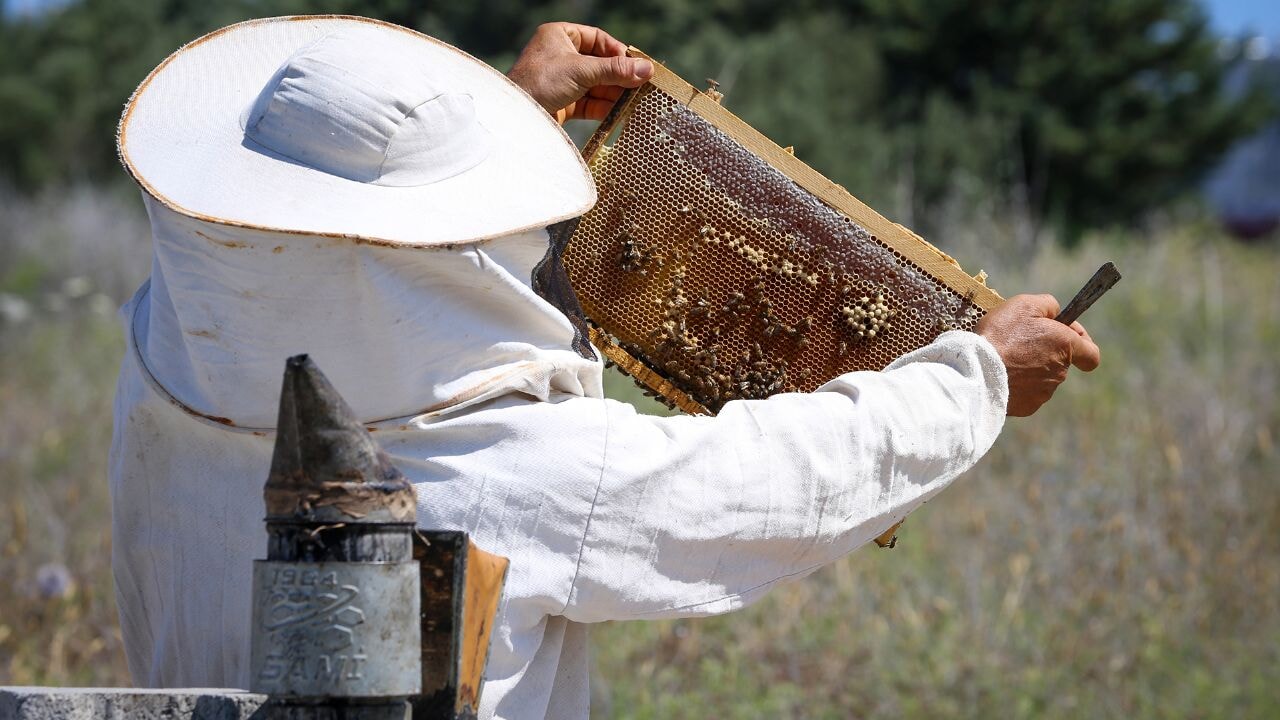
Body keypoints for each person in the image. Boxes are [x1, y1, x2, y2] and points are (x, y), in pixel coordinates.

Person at [110, 16, 1100, 720]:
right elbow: (770, 481)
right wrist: (971, 376)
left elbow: (358, 266)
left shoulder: (162, 353)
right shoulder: (507, 467)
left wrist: (484, 123)